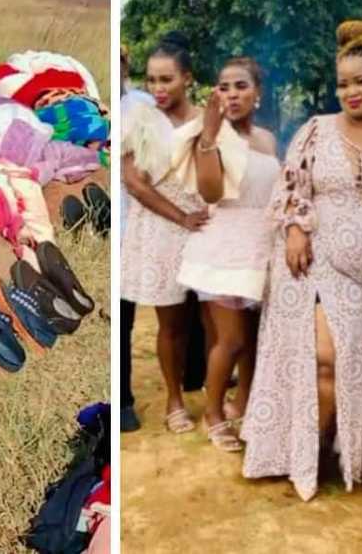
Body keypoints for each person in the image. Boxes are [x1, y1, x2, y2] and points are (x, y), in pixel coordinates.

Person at [241, 20, 362, 500]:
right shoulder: (316, 131)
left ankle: (354, 447)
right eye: (342, 84)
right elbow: (291, 185)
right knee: (325, 359)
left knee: (359, 364)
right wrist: (297, 227)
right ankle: (311, 448)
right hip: (320, 264)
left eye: (360, 82)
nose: (350, 92)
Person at [175, 56, 280, 451]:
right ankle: (213, 413)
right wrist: (208, 138)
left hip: (261, 247)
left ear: (257, 93)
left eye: (240, 86)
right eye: (224, 87)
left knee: (253, 339)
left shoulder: (268, 139)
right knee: (230, 339)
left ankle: (247, 404)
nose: (232, 94)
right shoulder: (211, 137)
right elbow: (211, 193)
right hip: (222, 250)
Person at [120, 31, 211, 434]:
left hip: (205, 227)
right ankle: (174, 401)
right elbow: (135, 183)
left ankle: (213, 397)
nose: (157, 88)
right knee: (170, 324)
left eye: (166, 80)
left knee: (210, 318)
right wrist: (181, 217)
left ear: (187, 78)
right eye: (151, 80)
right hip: (161, 228)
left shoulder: (206, 119)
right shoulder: (139, 119)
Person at [118, 44, 154, 433]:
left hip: (144, 219)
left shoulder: (143, 104)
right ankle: (125, 400)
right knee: (125, 317)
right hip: (123, 220)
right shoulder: (104, 107)